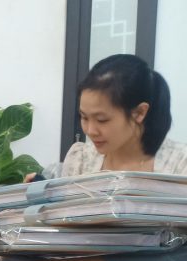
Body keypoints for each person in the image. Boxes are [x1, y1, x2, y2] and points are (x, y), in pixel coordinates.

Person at [26, 54, 187, 181]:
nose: (90, 130)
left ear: (139, 113)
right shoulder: (81, 159)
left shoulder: (179, 165)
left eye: (102, 120)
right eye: (84, 117)